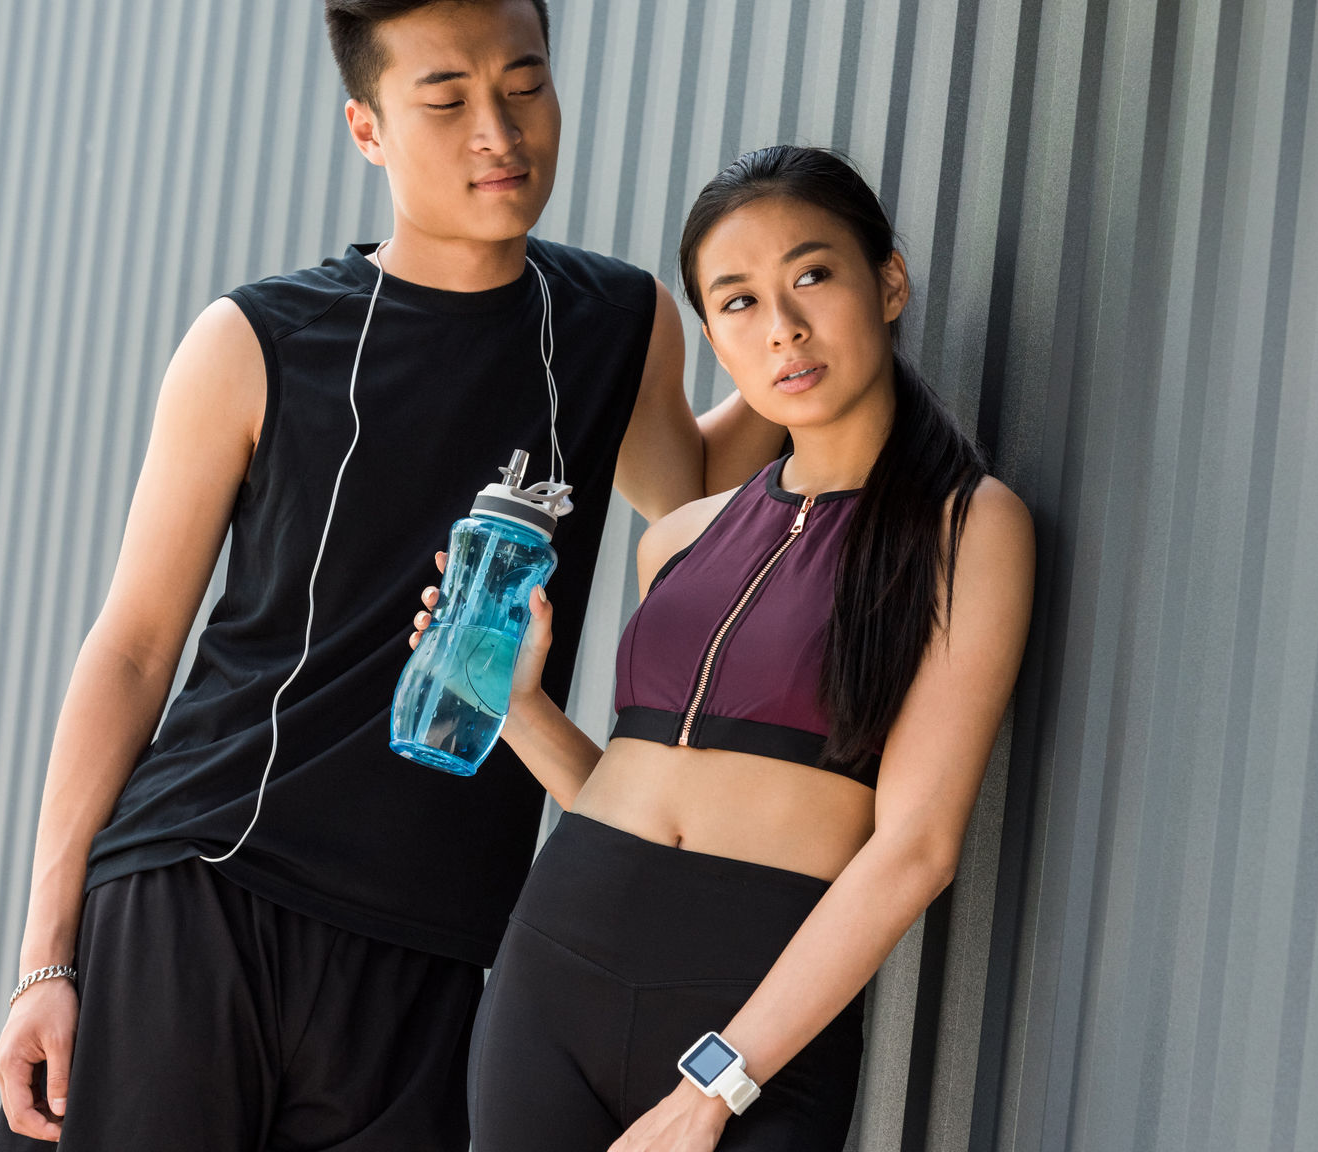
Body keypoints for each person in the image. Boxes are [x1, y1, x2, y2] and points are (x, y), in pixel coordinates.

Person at [0, 2, 783, 1148]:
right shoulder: (257, 341)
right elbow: (131, 649)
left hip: (435, 950)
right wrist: (45, 958)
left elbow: (689, 484)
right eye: (446, 99)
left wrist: (807, 338)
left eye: (523, 84)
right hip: (211, 887)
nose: (497, 132)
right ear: (366, 127)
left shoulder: (613, 319)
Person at [409, 145, 1036, 1151]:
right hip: (551, 976)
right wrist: (518, 706)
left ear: (887, 282)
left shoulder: (964, 529)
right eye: (738, 302)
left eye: (811, 275)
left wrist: (716, 1085)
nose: (781, 325)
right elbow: (631, 796)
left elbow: (915, 848)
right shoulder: (683, 538)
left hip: (754, 1025)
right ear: (715, 339)